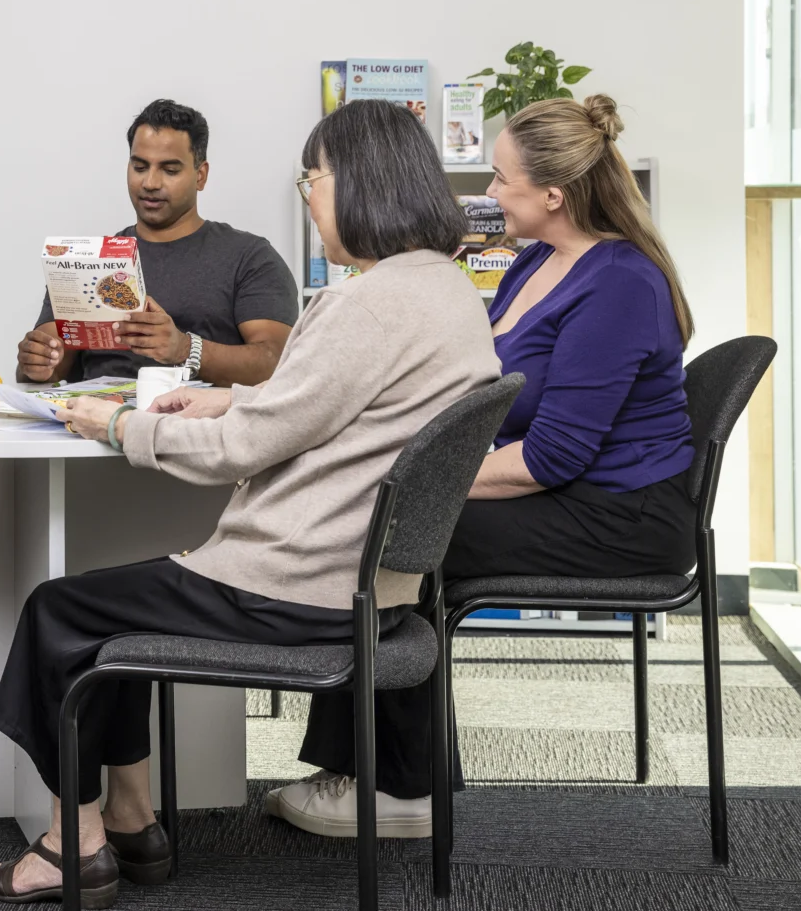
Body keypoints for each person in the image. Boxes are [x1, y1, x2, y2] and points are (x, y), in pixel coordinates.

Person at [0, 99, 499, 907]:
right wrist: (217, 401)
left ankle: (69, 845)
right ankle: (134, 818)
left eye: (312, 178)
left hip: (292, 585)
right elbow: (317, 406)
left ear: (359, 183)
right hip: (372, 591)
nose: (307, 195)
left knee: (60, 613)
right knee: (111, 607)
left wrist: (119, 425)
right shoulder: (444, 292)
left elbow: (243, 452)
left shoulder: (366, 303)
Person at [275, 95, 697, 839]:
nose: (485, 196)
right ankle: (368, 770)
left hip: (621, 516)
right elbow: (480, 390)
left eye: (500, 180)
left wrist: (411, 481)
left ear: (553, 196)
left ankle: (400, 786)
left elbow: (552, 457)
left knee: (400, 533)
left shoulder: (621, 285)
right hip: (574, 492)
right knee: (389, 525)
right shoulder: (536, 259)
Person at [15, 99, 298, 387]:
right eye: (139, 167)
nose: (150, 182)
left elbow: (276, 362)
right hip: (93, 423)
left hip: (197, 427)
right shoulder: (87, 262)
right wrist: (36, 362)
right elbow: (48, 364)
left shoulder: (250, 258)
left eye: (170, 170)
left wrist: (185, 349)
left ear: (200, 176)